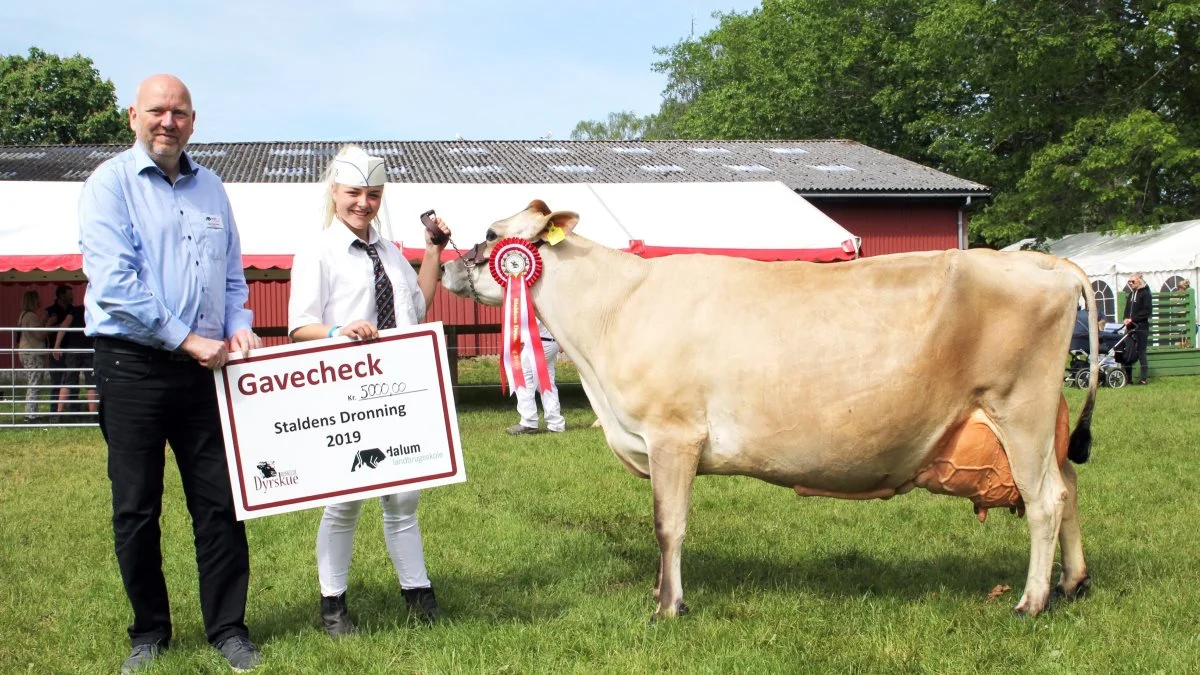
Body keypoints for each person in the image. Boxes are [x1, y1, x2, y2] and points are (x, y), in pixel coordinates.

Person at [78, 74, 263, 673]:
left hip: (206, 368)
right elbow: (115, 285)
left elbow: (232, 274)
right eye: (157, 111)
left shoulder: (212, 188)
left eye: (179, 112)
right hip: (133, 365)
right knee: (136, 507)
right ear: (133, 116)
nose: (168, 121)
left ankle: (228, 628)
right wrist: (189, 340)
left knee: (220, 502)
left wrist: (238, 323)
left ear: (193, 119)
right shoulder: (109, 185)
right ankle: (150, 633)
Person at [288, 145, 451, 637]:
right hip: (346, 388)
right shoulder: (317, 251)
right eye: (354, 193)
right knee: (345, 500)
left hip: (397, 385)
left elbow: (416, 306)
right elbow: (300, 326)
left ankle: (418, 594)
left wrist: (433, 248)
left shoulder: (388, 251)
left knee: (404, 495)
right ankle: (333, 605)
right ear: (335, 193)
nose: (363, 203)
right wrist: (339, 332)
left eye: (373, 194)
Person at [507, 317, 566, 435]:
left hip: (538, 342)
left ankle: (528, 421)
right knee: (547, 383)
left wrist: (520, 339)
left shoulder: (532, 300)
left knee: (523, 379)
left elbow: (532, 322)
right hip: (549, 341)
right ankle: (556, 423)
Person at [50, 286, 98, 422]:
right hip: (89, 349)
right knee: (91, 382)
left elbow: (64, 325)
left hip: (73, 350)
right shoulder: (94, 311)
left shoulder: (75, 310)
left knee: (67, 380)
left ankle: (58, 414)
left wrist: (56, 344)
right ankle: (92, 415)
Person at [16, 290, 48, 422]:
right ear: (34, 301)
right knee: (34, 383)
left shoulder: (23, 315)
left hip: (26, 352)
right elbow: (39, 335)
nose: (40, 301)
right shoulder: (31, 316)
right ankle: (30, 415)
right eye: (38, 298)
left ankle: (32, 412)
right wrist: (50, 324)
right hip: (32, 353)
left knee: (33, 382)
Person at [44, 285, 73, 423]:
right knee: (56, 382)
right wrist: (54, 326)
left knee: (71, 382)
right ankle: (54, 414)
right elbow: (43, 332)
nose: (72, 297)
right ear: (61, 295)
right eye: (69, 294)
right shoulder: (49, 311)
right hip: (56, 352)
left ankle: (72, 413)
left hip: (71, 351)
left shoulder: (74, 310)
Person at [1122, 272, 1152, 384]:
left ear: (1139, 280)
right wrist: (1125, 318)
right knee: (1127, 351)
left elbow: (1147, 311)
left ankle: (1143, 379)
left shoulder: (1145, 293)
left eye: (1133, 281)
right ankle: (1128, 378)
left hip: (1141, 327)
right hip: (1130, 327)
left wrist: (1133, 318)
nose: (1131, 283)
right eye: (1129, 281)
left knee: (1141, 352)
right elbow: (1127, 309)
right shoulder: (1131, 294)